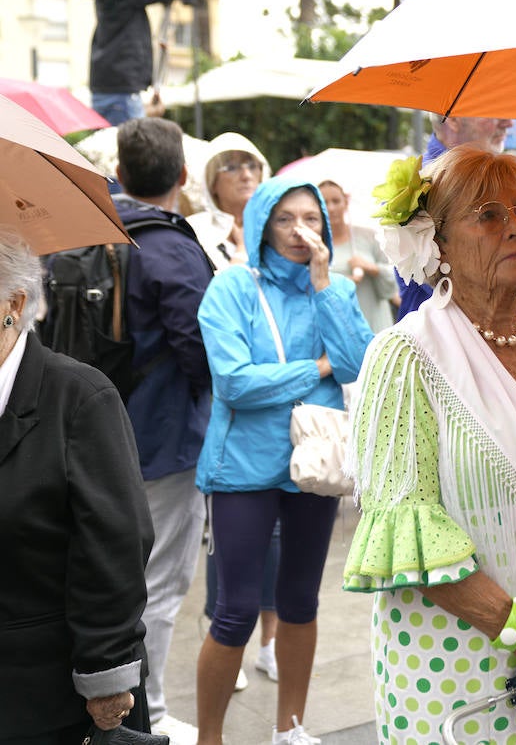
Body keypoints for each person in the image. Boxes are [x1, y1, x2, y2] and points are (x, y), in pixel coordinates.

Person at [344, 146, 516, 744]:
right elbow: (404, 535)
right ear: (436, 242)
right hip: (455, 673)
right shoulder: (407, 356)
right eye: (488, 215)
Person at [194, 178, 373, 745]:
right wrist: (312, 370)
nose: (302, 231)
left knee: (300, 601)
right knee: (236, 610)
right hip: (243, 468)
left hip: (315, 466)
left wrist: (323, 287)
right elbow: (234, 383)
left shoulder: (336, 290)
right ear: (263, 226)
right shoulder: (231, 288)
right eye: (286, 220)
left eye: (312, 219)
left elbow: (355, 365)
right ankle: (210, 737)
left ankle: (290, 728)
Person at [0, 229, 157, 744]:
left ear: (13, 304)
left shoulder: (79, 397)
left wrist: (106, 676)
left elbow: (115, 545)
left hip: (47, 693)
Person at [112, 118, 215, 745]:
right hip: (164, 438)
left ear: (121, 174)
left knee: (103, 574)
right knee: (159, 582)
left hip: (92, 430)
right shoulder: (171, 246)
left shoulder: (88, 233)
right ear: (182, 176)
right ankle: (142, 708)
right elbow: (200, 350)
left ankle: (104, 696)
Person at [186, 130, 280, 687]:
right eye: (232, 165)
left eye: (252, 163)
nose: (244, 173)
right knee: (230, 538)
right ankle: (227, 638)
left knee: (282, 540)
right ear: (211, 181)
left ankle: (270, 642)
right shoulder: (199, 235)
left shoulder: (284, 233)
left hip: (282, 411)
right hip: (230, 405)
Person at [396, 116, 516, 315]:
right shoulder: (416, 190)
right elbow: (447, 284)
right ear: (453, 119)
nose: (509, 122)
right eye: (488, 216)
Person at [319, 179, 398, 334]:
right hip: (341, 328)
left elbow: (394, 276)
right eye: (324, 202)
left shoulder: (368, 236)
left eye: (336, 201)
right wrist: (340, 283)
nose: (331, 208)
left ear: (345, 202)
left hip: (375, 322)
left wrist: (372, 268)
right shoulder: (316, 245)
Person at [188, 132, 274, 273]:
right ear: (212, 183)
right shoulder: (196, 231)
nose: (246, 176)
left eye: (252, 166)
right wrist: (241, 251)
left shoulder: (278, 225)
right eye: (232, 168)